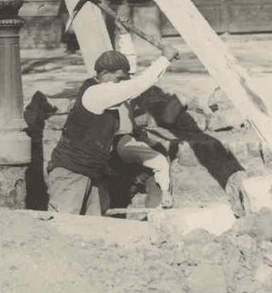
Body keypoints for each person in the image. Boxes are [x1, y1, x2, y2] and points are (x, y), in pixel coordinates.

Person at [46, 45, 178, 215]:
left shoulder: (105, 87)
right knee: (62, 226)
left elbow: (131, 80)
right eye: (118, 78)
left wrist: (124, 35)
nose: (121, 84)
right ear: (104, 73)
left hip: (91, 174)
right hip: (71, 174)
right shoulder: (96, 93)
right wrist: (164, 59)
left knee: (94, 231)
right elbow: (137, 85)